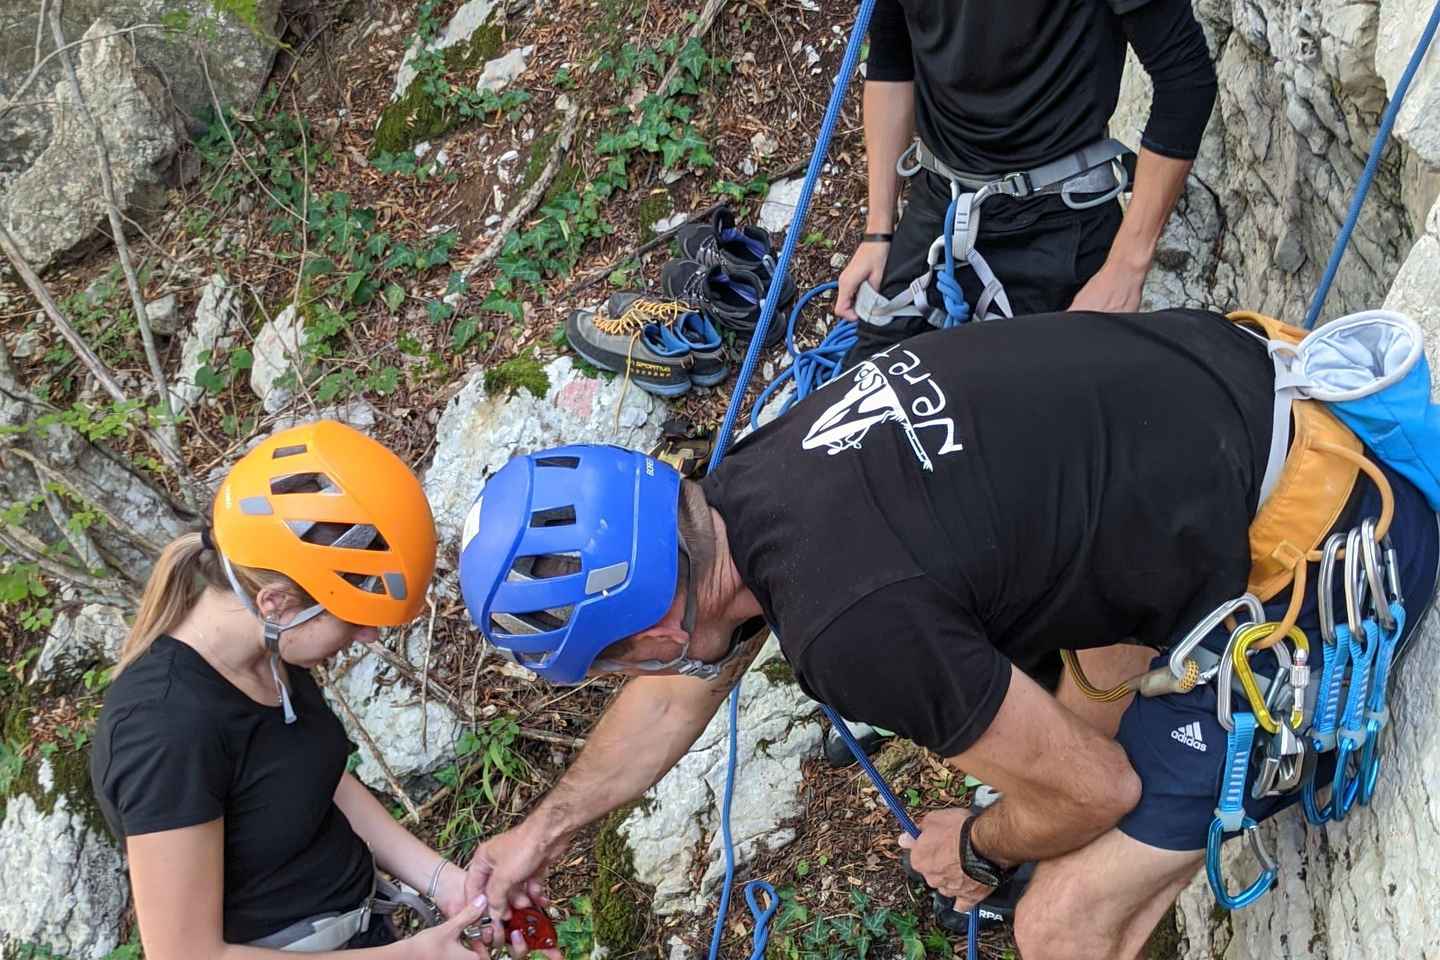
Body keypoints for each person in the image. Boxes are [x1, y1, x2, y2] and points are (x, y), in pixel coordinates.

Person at [454, 309, 1438, 958]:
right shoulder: (749, 485)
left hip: (1322, 560)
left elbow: (1102, 790)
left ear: (661, 619)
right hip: (1250, 419)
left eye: (615, 657)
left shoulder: (848, 628)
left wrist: (973, 843)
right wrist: (545, 832)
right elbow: (685, 681)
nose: (638, 671)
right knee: (1082, 696)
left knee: (1057, 922)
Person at [89, 421, 542, 959]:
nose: (369, 637)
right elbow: (187, 954)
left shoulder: (270, 657)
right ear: (276, 602)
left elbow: (314, 778)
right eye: (354, 616)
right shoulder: (163, 731)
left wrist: (446, 883)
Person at [835, 0, 1219, 362]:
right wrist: (878, 233)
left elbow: (1185, 80)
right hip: (940, 211)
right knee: (870, 404)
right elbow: (892, 60)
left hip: (1058, 228)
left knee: (1028, 420)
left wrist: (1125, 268)